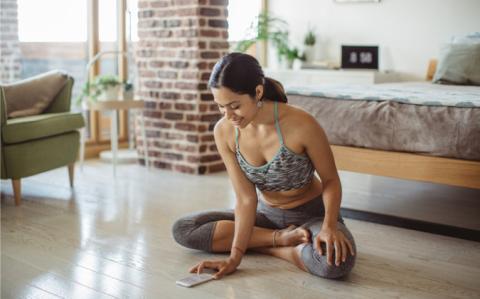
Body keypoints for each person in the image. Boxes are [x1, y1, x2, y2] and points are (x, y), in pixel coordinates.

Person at [172, 52, 356, 280]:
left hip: (313, 215)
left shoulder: (302, 124)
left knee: (335, 263)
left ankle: (268, 244)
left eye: (234, 106)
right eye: (221, 107)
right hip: (265, 216)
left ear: (257, 92)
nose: (228, 116)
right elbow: (246, 199)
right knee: (184, 229)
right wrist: (234, 258)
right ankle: (280, 243)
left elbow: (330, 181)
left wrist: (329, 226)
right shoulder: (224, 131)